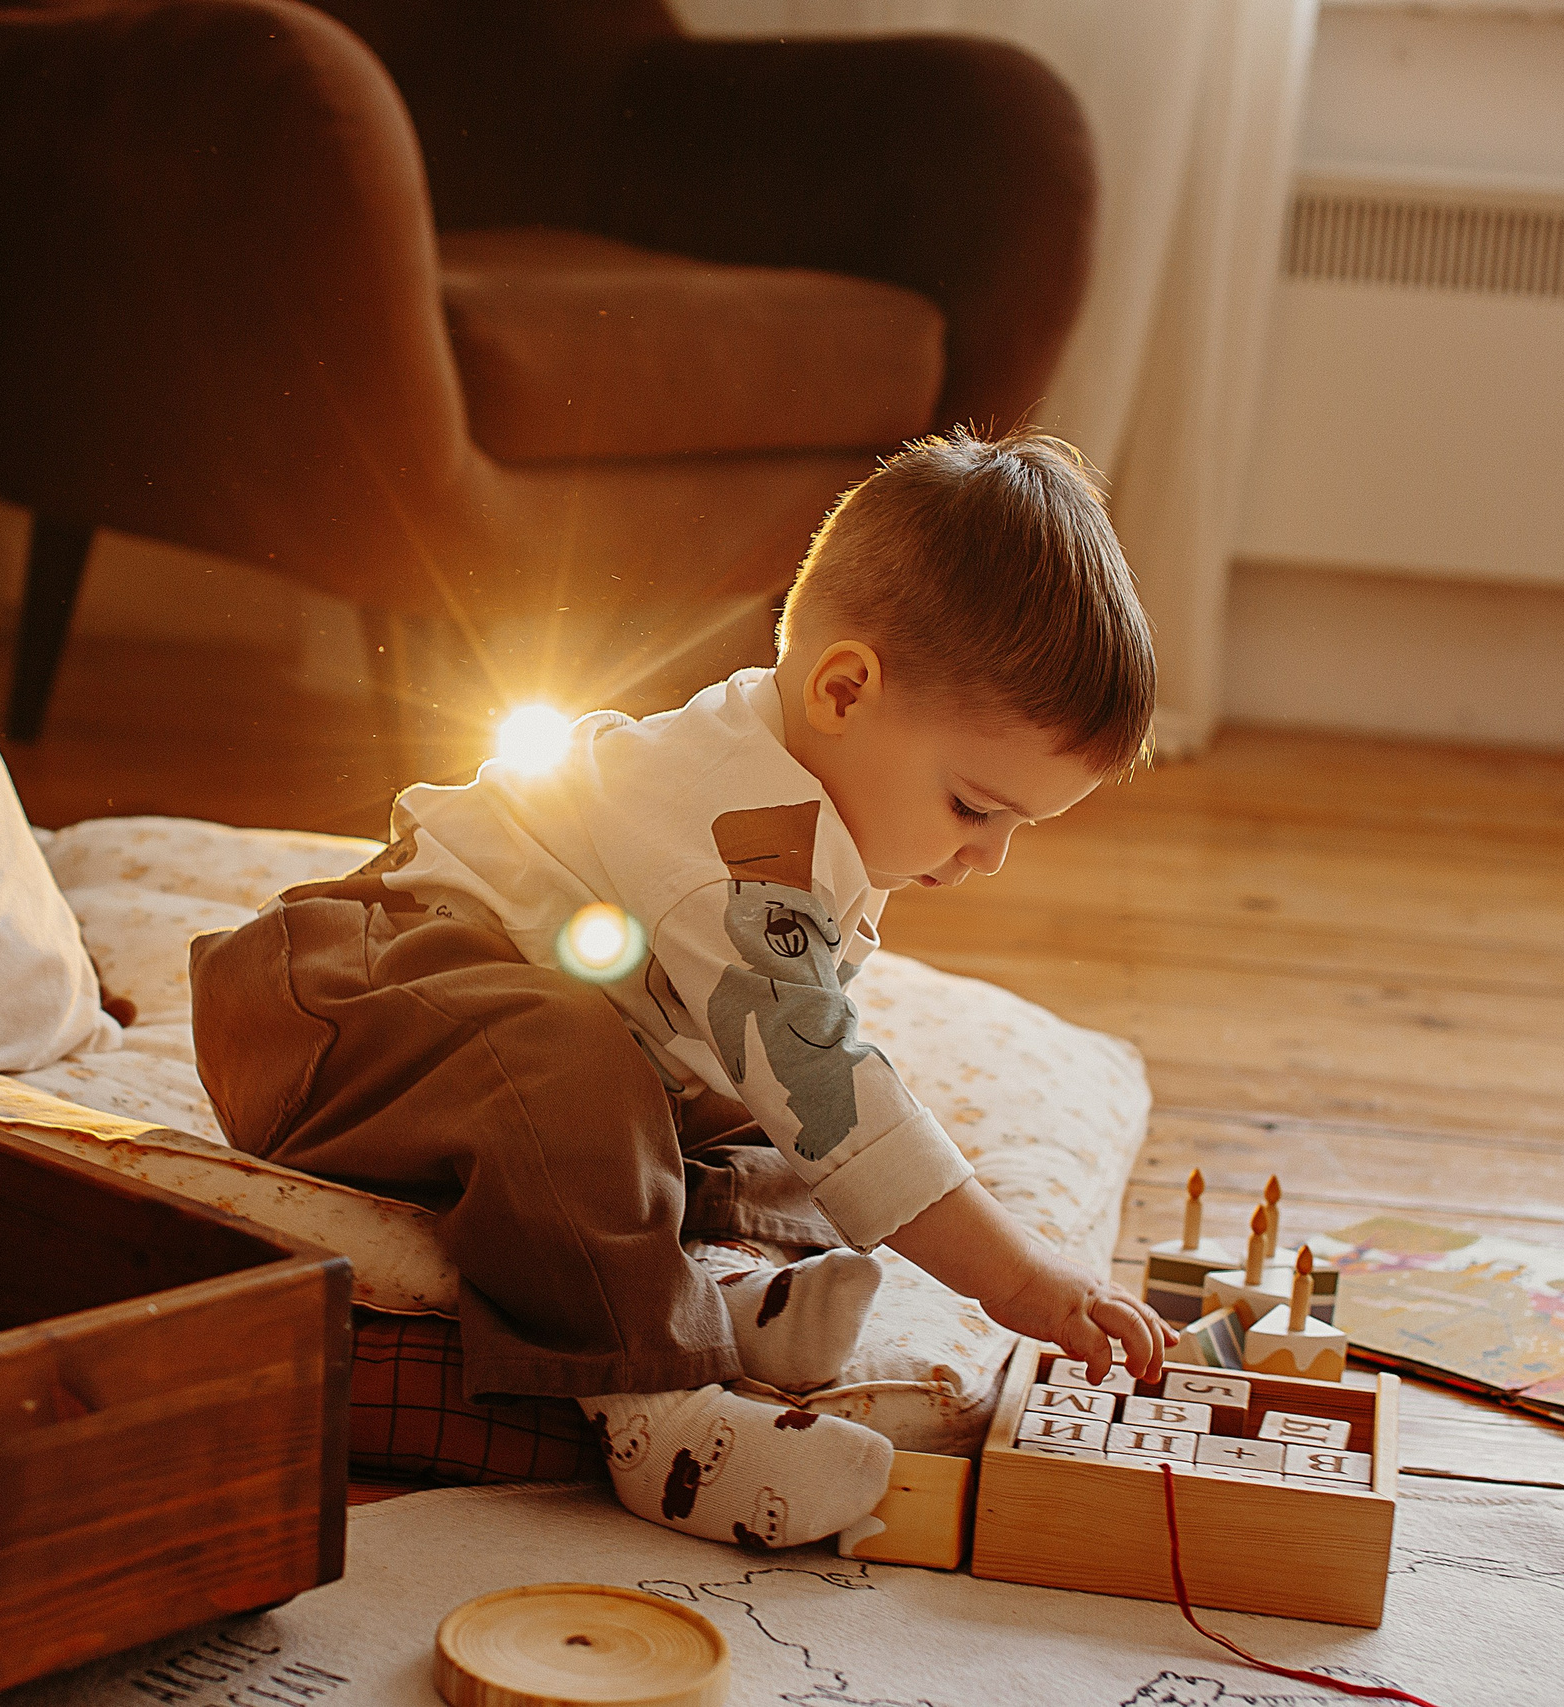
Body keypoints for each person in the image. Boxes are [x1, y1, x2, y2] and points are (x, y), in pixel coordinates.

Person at [190, 428, 1174, 1549]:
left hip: (480, 1041)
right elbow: (839, 1103)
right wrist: (1022, 1280)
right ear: (844, 690)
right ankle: (662, 1411)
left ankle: (717, 1286)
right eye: (973, 807)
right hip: (333, 1011)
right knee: (607, 1077)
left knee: (740, 1107)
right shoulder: (736, 834)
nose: (986, 858)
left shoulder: (818, 791)